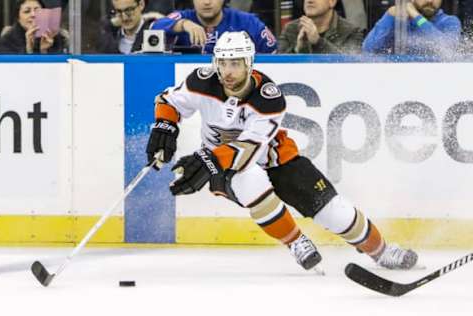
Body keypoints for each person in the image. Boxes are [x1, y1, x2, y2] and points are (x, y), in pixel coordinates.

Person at [146, 31, 419, 271]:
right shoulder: (201, 82)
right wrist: (165, 126)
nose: (227, 71)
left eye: (235, 63)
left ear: (249, 64)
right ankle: (296, 241)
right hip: (226, 169)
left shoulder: (269, 97)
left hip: (277, 160)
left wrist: (207, 158)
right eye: (222, 63)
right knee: (247, 178)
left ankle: (381, 251)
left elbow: (248, 150)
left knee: (336, 213)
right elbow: (169, 100)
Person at [151, 0, 277, 54]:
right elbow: (155, 28)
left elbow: (273, 53)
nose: (206, 2)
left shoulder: (247, 21)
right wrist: (183, 24)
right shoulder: (183, 17)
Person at [362, 0, 462, 56]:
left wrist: (415, 15)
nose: (430, 1)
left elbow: (447, 49)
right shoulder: (397, 18)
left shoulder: (450, 21)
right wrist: (388, 17)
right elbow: (368, 49)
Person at [278, 0, 364, 54]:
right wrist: (298, 49)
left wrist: (318, 42)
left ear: (332, 2)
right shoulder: (290, 29)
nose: (309, 1)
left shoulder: (351, 31)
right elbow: (278, 68)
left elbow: (351, 67)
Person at [0, 0, 68, 54]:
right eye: (27, 11)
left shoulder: (56, 37)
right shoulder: (8, 39)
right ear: (18, 18)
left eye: (37, 10)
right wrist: (28, 50)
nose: (33, 15)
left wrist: (44, 51)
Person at [98, 0, 164, 54]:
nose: (124, 17)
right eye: (119, 11)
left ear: (141, 5)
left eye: (129, 10)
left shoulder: (155, 31)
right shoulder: (109, 35)